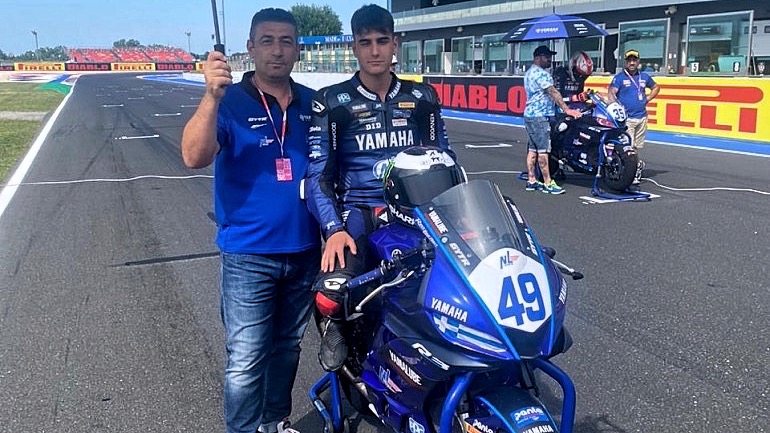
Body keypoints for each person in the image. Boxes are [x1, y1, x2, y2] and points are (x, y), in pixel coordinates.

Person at [180, 8, 320, 433]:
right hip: (249, 254)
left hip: (305, 249)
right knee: (245, 358)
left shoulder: (312, 103)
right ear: (250, 48)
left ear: (297, 49)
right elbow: (193, 157)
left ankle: (274, 422)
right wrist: (211, 97)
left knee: (287, 348)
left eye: (286, 41)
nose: (277, 50)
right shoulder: (228, 100)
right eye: (267, 41)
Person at [304, 4, 456, 372]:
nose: (375, 51)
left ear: (395, 45)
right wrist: (333, 230)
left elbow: (445, 160)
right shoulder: (331, 101)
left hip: (418, 211)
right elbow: (318, 175)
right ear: (354, 48)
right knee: (331, 293)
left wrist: (459, 215)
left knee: (459, 282)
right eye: (365, 42)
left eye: (382, 41)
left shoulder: (423, 97)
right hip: (359, 212)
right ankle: (337, 328)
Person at [523, 45, 582, 195]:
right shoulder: (542, 74)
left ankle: (532, 180)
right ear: (538, 58)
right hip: (540, 116)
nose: (550, 59)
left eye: (550, 56)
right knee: (543, 150)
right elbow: (553, 92)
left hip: (530, 114)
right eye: (546, 56)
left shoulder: (529, 72)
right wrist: (566, 109)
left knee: (533, 149)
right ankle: (548, 182)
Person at [608, 49, 660, 184]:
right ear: (625, 62)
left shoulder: (644, 76)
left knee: (636, 147)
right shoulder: (620, 77)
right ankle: (630, 171)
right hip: (627, 119)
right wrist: (615, 109)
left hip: (642, 117)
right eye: (629, 60)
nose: (632, 63)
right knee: (628, 147)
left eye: (634, 60)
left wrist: (647, 99)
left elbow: (656, 87)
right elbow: (611, 93)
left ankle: (636, 166)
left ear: (638, 62)